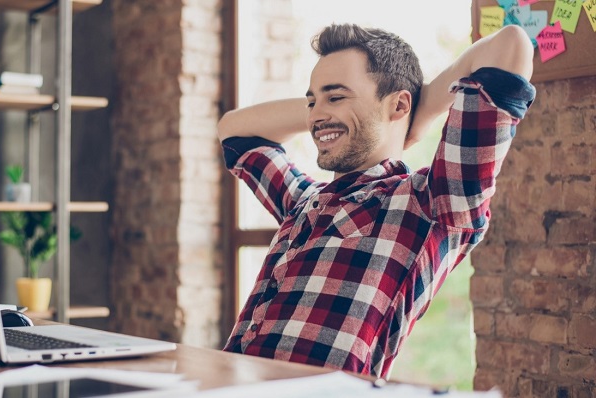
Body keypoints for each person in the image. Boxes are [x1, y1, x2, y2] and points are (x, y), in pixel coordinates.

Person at [217, 23, 535, 378]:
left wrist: (423, 107)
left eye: (336, 96)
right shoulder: (304, 201)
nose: (316, 115)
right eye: (312, 101)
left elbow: (511, 45)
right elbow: (234, 130)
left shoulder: (431, 203)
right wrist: (332, 109)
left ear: (399, 104)